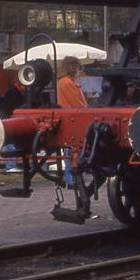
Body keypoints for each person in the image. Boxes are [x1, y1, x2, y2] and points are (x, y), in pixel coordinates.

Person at [56, 56, 87, 187]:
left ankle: (70, 179)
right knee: (72, 150)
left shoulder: (63, 81)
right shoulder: (67, 83)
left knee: (70, 150)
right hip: (73, 120)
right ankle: (71, 179)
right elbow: (77, 104)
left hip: (68, 118)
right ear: (73, 67)